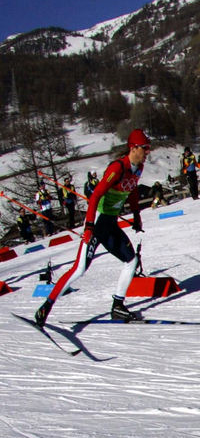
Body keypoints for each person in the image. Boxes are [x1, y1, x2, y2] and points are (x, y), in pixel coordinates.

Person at [34, 129, 151, 326]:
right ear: (133, 147)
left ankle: (117, 306)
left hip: (110, 223)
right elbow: (95, 196)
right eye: (145, 148)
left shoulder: (138, 168)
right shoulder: (117, 167)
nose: (147, 152)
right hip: (97, 223)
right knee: (79, 269)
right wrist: (88, 226)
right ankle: (46, 307)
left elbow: (132, 191)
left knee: (131, 260)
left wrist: (137, 215)